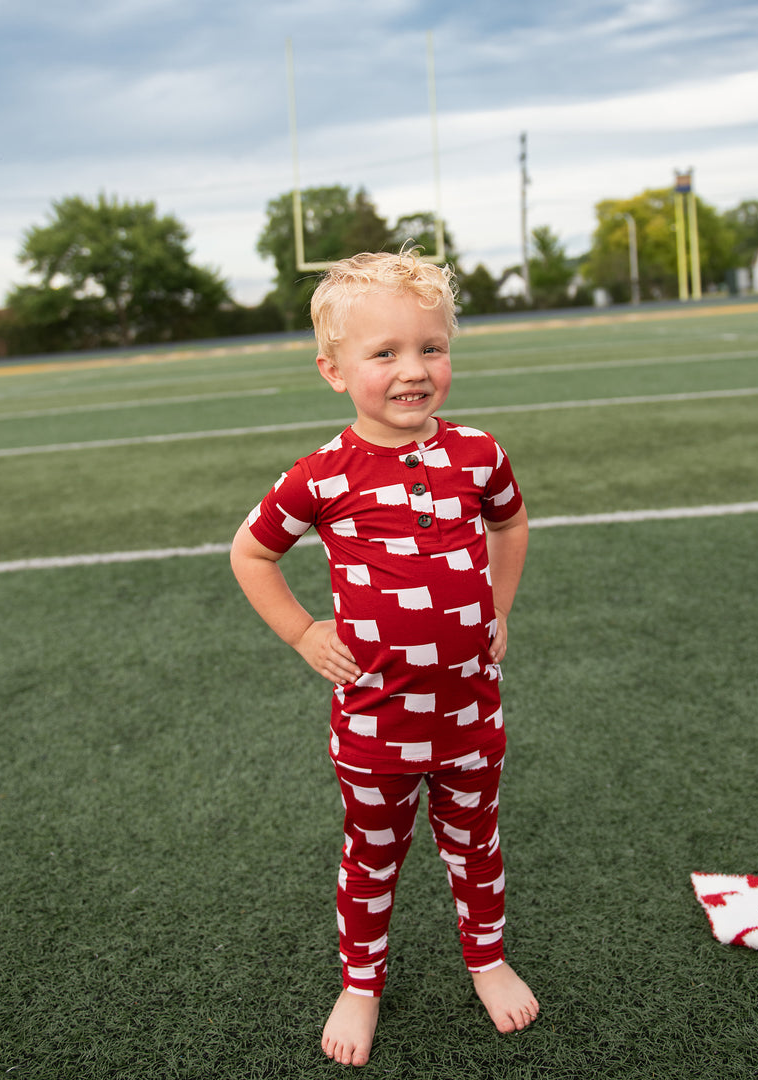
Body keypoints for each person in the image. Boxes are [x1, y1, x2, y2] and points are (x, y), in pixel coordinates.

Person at [230, 250, 538, 1067]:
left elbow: (511, 525)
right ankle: (361, 982)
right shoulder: (322, 476)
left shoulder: (479, 452)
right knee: (373, 854)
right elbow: (250, 553)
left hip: (472, 715)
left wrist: (497, 609)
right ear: (333, 370)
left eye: (431, 348)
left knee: (477, 843)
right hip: (376, 723)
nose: (414, 370)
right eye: (385, 353)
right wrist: (303, 633)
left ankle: (489, 959)